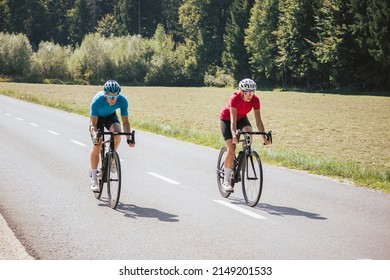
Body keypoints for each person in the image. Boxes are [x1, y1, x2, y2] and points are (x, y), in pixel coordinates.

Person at [219, 78, 271, 192]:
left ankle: (244, 156)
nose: (250, 95)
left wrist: (264, 137)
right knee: (231, 148)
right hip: (227, 120)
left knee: (249, 134)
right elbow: (233, 121)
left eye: (252, 92)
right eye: (247, 92)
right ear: (241, 91)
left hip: (242, 118)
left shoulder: (255, 100)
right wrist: (234, 135)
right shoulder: (234, 99)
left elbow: (258, 121)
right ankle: (226, 181)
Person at [89, 80, 135, 191]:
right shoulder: (97, 101)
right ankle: (94, 177)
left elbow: (125, 122)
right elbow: (93, 124)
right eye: (110, 96)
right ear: (105, 94)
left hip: (110, 117)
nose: (113, 99)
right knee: (97, 144)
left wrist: (129, 138)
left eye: (115, 96)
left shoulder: (123, 101)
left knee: (117, 132)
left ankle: (112, 158)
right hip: (97, 120)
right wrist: (95, 136)